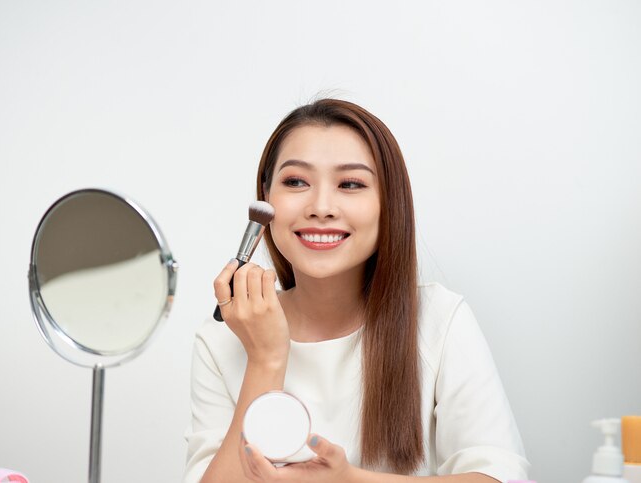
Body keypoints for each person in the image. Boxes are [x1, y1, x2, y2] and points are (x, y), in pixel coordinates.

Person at [183, 99, 529, 483]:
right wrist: (265, 359)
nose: (321, 207)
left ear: (388, 204)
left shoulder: (439, 320)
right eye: (296, 182)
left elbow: (500, 477)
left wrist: (347, 479)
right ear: (266, 198)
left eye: (351, 184)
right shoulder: (222, 339)